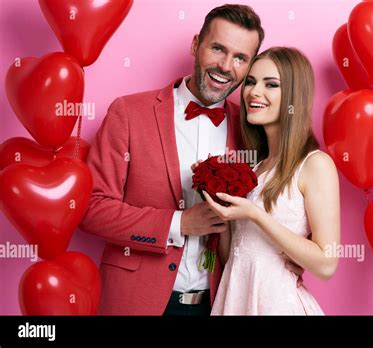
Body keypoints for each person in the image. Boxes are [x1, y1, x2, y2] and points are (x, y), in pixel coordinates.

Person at [80, 4, 301, 316]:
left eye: (240, 58)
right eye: (217, 49)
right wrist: (179, 223)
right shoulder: (128, 113)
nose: (226, 66)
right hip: (137, 301)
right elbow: (91, 207)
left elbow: (272, 208)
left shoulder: (252, 128)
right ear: (196, 45)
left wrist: (285, 259)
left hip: (221, 303)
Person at [202, 47, 341, 315]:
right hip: (236, 302)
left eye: (271, 84)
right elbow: (235, 257)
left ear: (293, 97)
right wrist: (217, 209)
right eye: (251, 82)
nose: (254, 92)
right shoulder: (255, 167)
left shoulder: (314, 165)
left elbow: (326, 263)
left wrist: (256, 215)